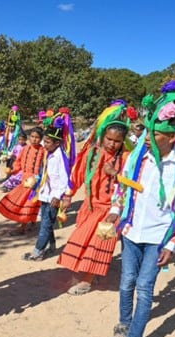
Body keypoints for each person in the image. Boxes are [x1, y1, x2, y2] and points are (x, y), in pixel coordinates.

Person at [105, 80, 175, 337]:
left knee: (145, 287)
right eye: (147, 130)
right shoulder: (138, 159)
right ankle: (125, 321)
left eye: (154, 132)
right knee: (126, 282)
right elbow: (123, 189)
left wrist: (173, 243)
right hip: (132, 232)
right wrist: (115, 211)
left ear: (172, 137)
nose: (146, 136)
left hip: (158, 237)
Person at [57, 101, 132, 295]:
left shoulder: (127, 158)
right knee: (83, 241)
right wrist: (67, 196)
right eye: (108, 139)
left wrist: (116, 174)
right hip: (89, 208)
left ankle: (87, 281)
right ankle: (90, 273)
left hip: (111, 210)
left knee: (97, 244)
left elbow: (132, 185)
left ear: (123, 141)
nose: (111, 144)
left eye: (116, 141)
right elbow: (77, 176)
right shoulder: (92, 154)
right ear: (103, 136)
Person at [22, 117, 71, 261]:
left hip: (53, 197)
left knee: (45, 224)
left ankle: (37, 252)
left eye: (48, 142)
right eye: (45, 141)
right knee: (46, 221)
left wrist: (57, 196)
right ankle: (52, 246)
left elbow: (64, 179)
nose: (45, 144)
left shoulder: (60, 158)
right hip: (45, 194)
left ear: (58, 143)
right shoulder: (49, 154)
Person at [0, 127, 45, 235]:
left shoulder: (43, 151)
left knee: (27, 202)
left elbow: (46, 167)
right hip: (25, 180)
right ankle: (31, 222)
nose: (34, 139)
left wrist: (38, 179)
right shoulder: (25, 149)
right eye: (32, 137)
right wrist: (12, 171)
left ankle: (22, 227)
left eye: (37, 137)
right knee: (27, 202)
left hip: (35, 181)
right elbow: (18, 163)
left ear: (41, 139)